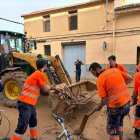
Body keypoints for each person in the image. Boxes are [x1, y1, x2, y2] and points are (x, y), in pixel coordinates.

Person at [11, 59, 56, 140]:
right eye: (46, 66)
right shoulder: (39, 74)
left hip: (30, 104)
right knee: (22, 126)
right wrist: (53, 86)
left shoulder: (36, 74)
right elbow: (45, 89)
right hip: (25, 104)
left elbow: (42, 90)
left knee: (33, 123)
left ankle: (33, 138)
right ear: (45, 66)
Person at [89, 62, 132, 140]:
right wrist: (121, 87)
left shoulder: (100, 79)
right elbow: (130, 78)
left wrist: (99, 107)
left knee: (113, 130)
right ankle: (120, 137)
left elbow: (104, 100)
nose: (94, 75)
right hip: (127, 103)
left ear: (97, 69)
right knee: (119, 122)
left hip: (116, 107)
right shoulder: (115, 70)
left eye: (93, 73)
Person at [132, 69, 140, 138]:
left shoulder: (137, 75)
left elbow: (135, 91)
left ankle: (137, 133)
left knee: (138, 118)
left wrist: (134, 101)